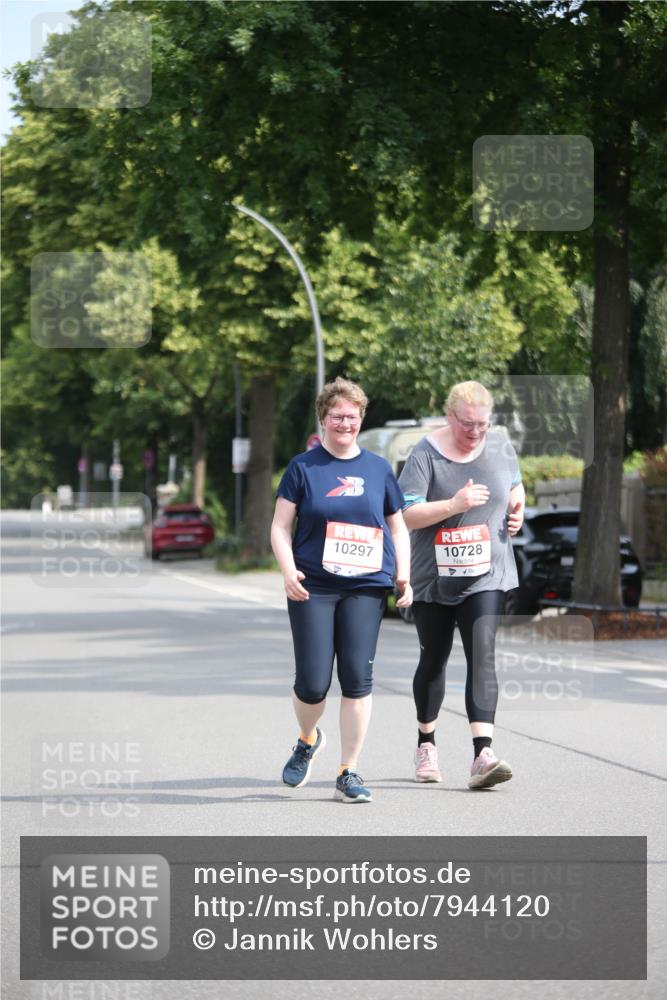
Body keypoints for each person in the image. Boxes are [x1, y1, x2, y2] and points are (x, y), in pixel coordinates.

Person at [271, 377, 412, 803]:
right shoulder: (303, 468)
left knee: (357, 679)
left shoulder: (378, 469)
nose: (345, 423)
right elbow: (279, 527)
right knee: (313, 683)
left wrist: (403, 574)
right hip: (313, 585)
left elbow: (398, 526)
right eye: (337, 416)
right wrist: (288, 570)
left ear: (361, 418)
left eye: (352, 416)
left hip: (366, 586)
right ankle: (307, 738)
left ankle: (348, 771)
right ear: (324, 419)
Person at [398, 381, 525, 789]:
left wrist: (518, 509)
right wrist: (454, 505)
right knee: (433, 659)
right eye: (467, 423)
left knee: (482, 654)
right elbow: (407, 514)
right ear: (449, 415)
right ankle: (426, 742)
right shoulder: (425, 453)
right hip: (434, 576)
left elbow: (515, 487)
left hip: (487, 573)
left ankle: (482, 754)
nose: (475, 432)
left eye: (483, 425)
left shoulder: (501, 446)